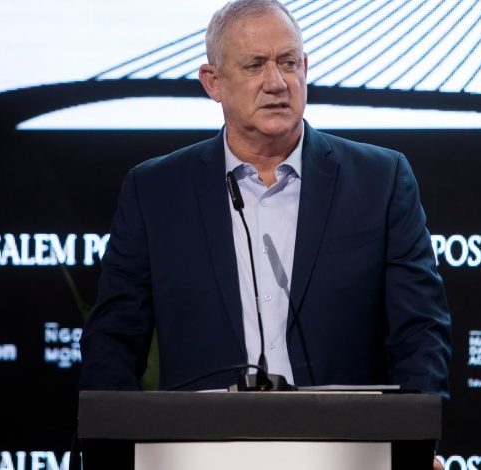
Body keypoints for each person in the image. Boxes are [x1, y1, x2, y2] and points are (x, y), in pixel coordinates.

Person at [80, 0, 449, 398]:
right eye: (255, 65)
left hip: (342, 433)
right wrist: (118, 435)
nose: (276, 82)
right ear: (212, 82)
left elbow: (420, 332)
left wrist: (414, 429)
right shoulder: (155, 191)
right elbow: (113, 340)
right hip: (203, 435)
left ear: (304, 68)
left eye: (288, 63)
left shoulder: (380, 181)